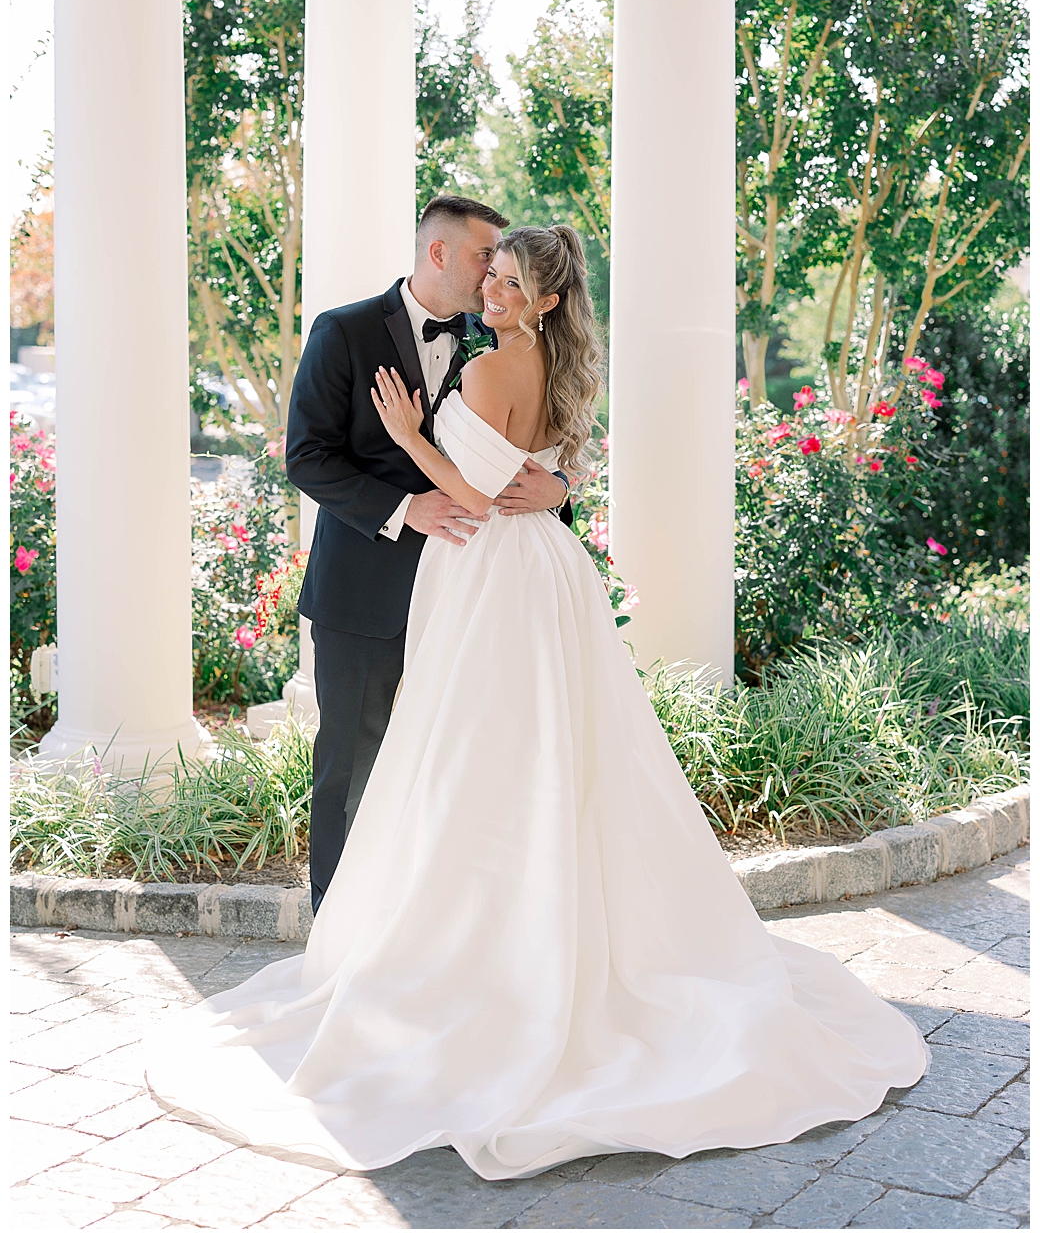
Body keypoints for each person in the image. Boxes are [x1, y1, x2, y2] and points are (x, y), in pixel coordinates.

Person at [146, 225, 928, 1181]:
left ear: (546, 298)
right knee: (541, 751)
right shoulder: (552, 364)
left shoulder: (485, 367)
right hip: (537, 575)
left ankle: (481, 964)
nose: (494, 288)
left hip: (489, 574)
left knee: (474, 755)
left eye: (512, 280)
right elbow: (527, 467)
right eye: (492, 273)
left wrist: (406, 439)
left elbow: (473, 489)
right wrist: (543, 482)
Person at [284, 196, 569, 913]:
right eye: (485, 258)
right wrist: (403, 508)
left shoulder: (500, 337)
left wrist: (558, 488)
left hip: (476, 594)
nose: (494, 276)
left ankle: (429, 932)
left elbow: (532, 453)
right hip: (367, 595)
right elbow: (307, 458)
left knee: (459, 772)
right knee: (354, 768)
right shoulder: (343, 331)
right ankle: (340, 937)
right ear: (438, 253)